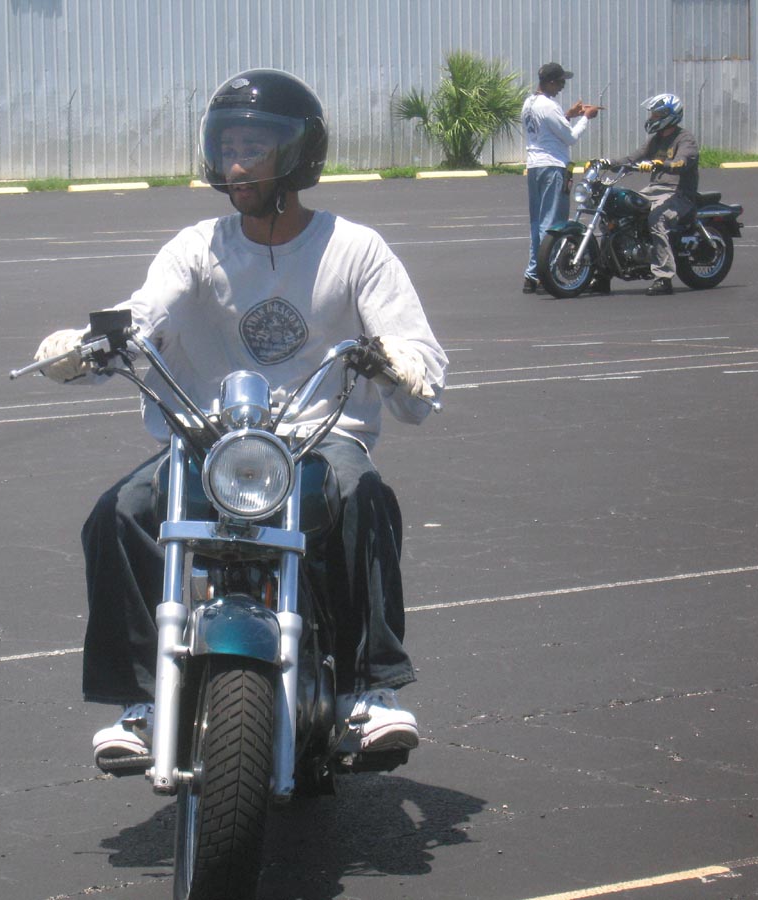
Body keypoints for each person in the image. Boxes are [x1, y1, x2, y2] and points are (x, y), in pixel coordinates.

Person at [33, 69, 447, 768]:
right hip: (211, 441)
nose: (237, 163)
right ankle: (140, 701)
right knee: (120, 512)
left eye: (254, 146)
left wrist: (398, 361)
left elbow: (418, 358)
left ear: (298, 153)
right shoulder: (199, 247)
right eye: (227, 146)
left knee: (365, 496)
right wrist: (92, 343)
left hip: (318, 439)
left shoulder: (356, 249)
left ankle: (370, 690)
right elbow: (146, 311)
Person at [603, 93, 699, 296]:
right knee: (616, 212)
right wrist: (608, 163)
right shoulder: (655, 140)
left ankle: (664, 277)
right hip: (655, 190)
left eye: (657, 114)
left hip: (679, 193)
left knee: (657, 218)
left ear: (670, 115)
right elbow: (631, 159)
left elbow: (682, 162)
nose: (652, 118)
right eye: (652, 114)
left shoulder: (685, 139)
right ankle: (603, 273)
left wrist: (660, 164)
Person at [521, 62, 601, 294]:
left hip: (535, 165)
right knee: (553, 223)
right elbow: (570, 137)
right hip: (553, 166)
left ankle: (533, 274)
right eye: (560, 82)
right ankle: (546, 273)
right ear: (550, 82)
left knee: (537, 222)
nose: (562, 87)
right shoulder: (549, 105)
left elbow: (549, 128)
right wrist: (586, 118)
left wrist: (569, 115)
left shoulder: (529, 103)